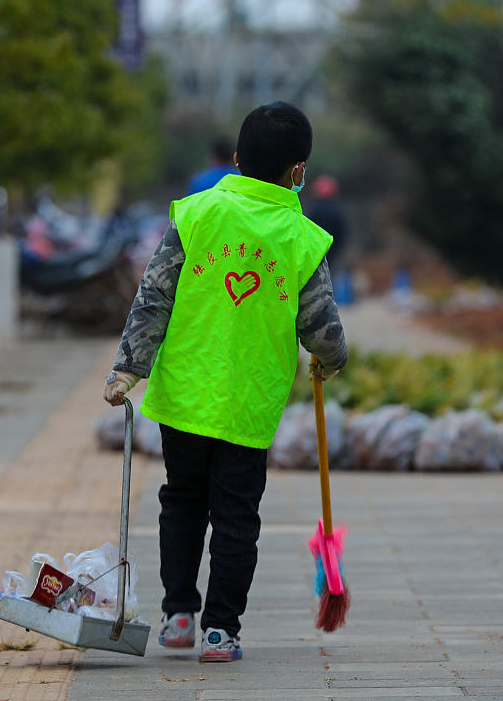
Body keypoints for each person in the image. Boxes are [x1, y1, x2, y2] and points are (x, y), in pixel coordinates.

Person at [103, 102, 349, 663]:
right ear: (299, 171)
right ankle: (221, 630)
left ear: (236, 160)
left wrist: (128, 367)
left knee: (182, 501)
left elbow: (154, 295)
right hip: (248, 403)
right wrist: (331, 357)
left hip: (187, 396)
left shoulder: (195, 215)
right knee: (237, 515)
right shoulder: (302, 238)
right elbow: (319, 319)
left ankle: (179, 616)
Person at [305, 175, 352, 304]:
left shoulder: (314, 209)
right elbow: (342, 231)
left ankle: (319, 301)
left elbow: (309, 229)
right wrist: (339, 246)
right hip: (333, 248)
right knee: (332, 274)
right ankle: (332, 300)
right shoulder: (336, 210)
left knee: (316, 276)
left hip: (316, 249)